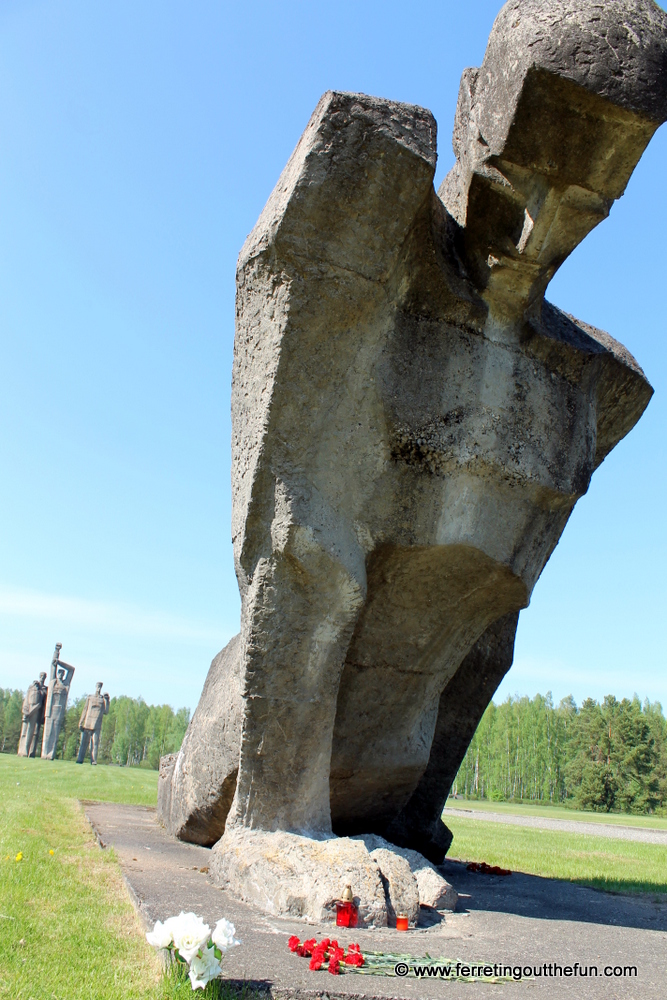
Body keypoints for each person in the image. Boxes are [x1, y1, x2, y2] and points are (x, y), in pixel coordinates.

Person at [41, 644, 75, 759]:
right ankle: (44, 753)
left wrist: (60, 662)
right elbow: (53, 665)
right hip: (50, 709)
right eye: (59, 673)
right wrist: (56, 652)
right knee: (47, 733)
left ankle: (50, 754)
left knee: (54, 734)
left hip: (59, 710)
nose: (60, 675)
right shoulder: (53, 682)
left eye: (62, 673)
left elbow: (72, 669)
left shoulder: (65, 684)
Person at [76, 682, 110, 765]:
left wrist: (107, 700)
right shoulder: (90, 697)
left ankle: (93, 760)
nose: (98, 688)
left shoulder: (102, 699)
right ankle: (80, 759)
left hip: (97, 723)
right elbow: (85, 709)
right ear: (95, 687)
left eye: (100, 687)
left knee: (95, 743)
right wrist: (81, 721)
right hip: (88, 722)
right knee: (84, 742)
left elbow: (106, 712)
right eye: (98, 686)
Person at [17, 673, 48, 757]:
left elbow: (45, 703)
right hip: (29, 711)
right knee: (25, 731)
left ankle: (31, 752)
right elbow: (27, 698)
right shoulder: (32, 687)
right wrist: (25, 709)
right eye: (41, 676)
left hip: (38, 712)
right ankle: (21, 750)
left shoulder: (45, 689)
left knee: (34, 733)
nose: (42, 678)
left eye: (44, 677)